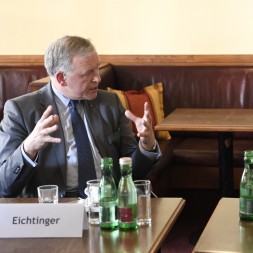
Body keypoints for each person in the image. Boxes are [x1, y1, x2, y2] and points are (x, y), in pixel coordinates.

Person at [0, 35, 161, 198]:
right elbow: (4, 187)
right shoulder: (20, 110)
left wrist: (146, 146)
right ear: (61, 78)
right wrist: (28, 148)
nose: (98, 78)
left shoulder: (109, 103)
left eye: (97, 68)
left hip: (107, 201)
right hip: (56, 208)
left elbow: (133, 174)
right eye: (87, 73)